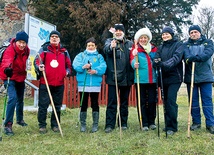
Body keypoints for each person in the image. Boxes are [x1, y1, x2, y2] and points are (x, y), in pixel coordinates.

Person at [34, 30, 72, 134]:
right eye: (52, 37)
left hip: (59, 83)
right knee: (43, 105)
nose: (54, 38)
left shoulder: (64, 52)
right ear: (49, 39)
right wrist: (39, 67)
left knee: (57, 106)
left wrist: (66, 72)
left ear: (59, 39)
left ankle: (55, 125)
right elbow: (37, 61)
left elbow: (69, 66)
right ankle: (42, 125)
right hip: (45, 83)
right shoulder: (44, 49)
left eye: (56, 37)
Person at [103, 23, 134, 133]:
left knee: (124, 103)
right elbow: (106, 50)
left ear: (123, 32)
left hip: (127, 77)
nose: (118, 32)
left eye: (120, 30)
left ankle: (123, 123)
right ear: (114, 32)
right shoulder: (109, 42)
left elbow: (133, 57)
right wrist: (112, 47)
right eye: (116, 31)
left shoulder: (130, 43)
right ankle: (109, 124)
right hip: (113, 77)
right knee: (112, 102)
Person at [153, 26, 184, 135]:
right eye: (163, 34)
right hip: (163, 77)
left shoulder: (179, 45)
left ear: (171, 34)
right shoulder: (160, 47)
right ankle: (167, 124)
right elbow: (156, 58)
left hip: (175, 77)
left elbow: (176, 58)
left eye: (167, 34)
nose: (165, 36)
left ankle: (172, 126)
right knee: (166, 101)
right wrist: (156, 62)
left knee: (171, 101)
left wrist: (163, 64)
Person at [184, 25, 214, 134]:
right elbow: (186, 55)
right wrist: (189, 58)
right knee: (194, 101)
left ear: (200, 33)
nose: (193, 34)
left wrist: (196, 58)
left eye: (195, 32)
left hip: (205, 76)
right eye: (191, 32)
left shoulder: (208, 42)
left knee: (207, 101)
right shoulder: (186, 44)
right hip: (191, 77)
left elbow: (208, 53)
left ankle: (210, 123)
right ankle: (196, 122)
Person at [72, 37, 107, 133]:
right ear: (86, 46)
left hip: (95, 84)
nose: (90, 47)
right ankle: (83, 124)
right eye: (89, 45)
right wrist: (83, 66)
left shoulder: (99, 57)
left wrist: (95, 71)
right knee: (83, 103)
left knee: (95, 103)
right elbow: (75, 65)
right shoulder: (81, 55)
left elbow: (103, 67)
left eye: (92, 45)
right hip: (83, 83)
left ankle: (95, 124)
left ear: (95, 46)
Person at [0, 31, 30, 136]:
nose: (22, 45)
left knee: (20, 99)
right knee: (12, 98)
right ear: (16, 41)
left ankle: (20, 119)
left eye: (24, 43)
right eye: (20, 42)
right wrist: (7, 68)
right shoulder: (10, 49)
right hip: (9, 76)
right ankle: (8, 124)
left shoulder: (27, 51)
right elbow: (6, 61)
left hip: (20, 76)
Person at [130, 27, 157, 131]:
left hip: (152, 80)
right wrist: (134, 64)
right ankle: (144, 122)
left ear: (148, 39)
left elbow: (157, 60)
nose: (143, 40)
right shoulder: (135, 49)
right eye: (141, 38)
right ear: (138, 39)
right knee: (141, 101)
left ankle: (151, 122)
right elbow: (132, 61)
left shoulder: (154, 49)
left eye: (145, 38)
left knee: (151, 101)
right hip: (140, 80)